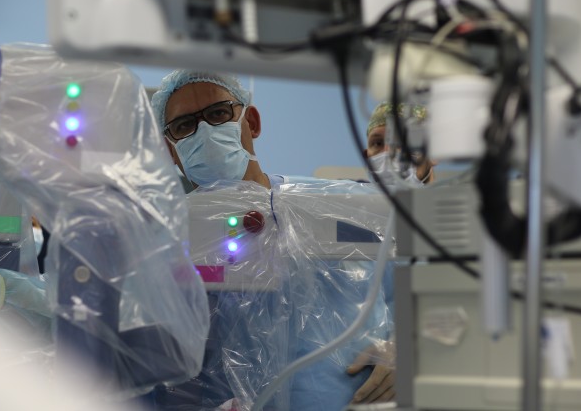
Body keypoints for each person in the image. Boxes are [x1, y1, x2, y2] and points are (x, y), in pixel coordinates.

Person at [149, 70, 401, 410]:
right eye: (184, 125)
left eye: (218, 113)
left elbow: (424, 292)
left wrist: (406, 348)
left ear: (251, 122)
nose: (204, 131)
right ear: (171, 149)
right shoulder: (163, 238)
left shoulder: (341, 205)